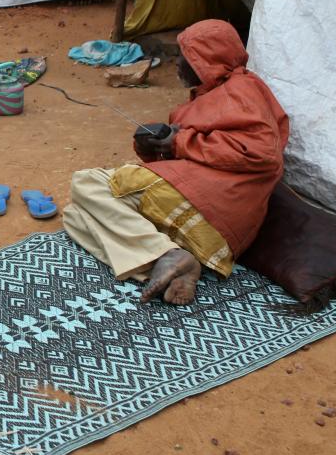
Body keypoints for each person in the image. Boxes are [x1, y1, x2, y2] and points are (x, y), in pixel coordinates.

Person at [62, 19, 289, 305]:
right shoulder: (205, 98)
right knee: (75, 217)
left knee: (87, 183)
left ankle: (165, 255)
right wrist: (153, 145)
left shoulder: (242, 90)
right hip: (201, 218)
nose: (179, 65)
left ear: (209, 61)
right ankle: (173, 264)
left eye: (187, 58)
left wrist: (178, 141)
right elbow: (188, 153)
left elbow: (264, 153)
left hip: (217, 207)